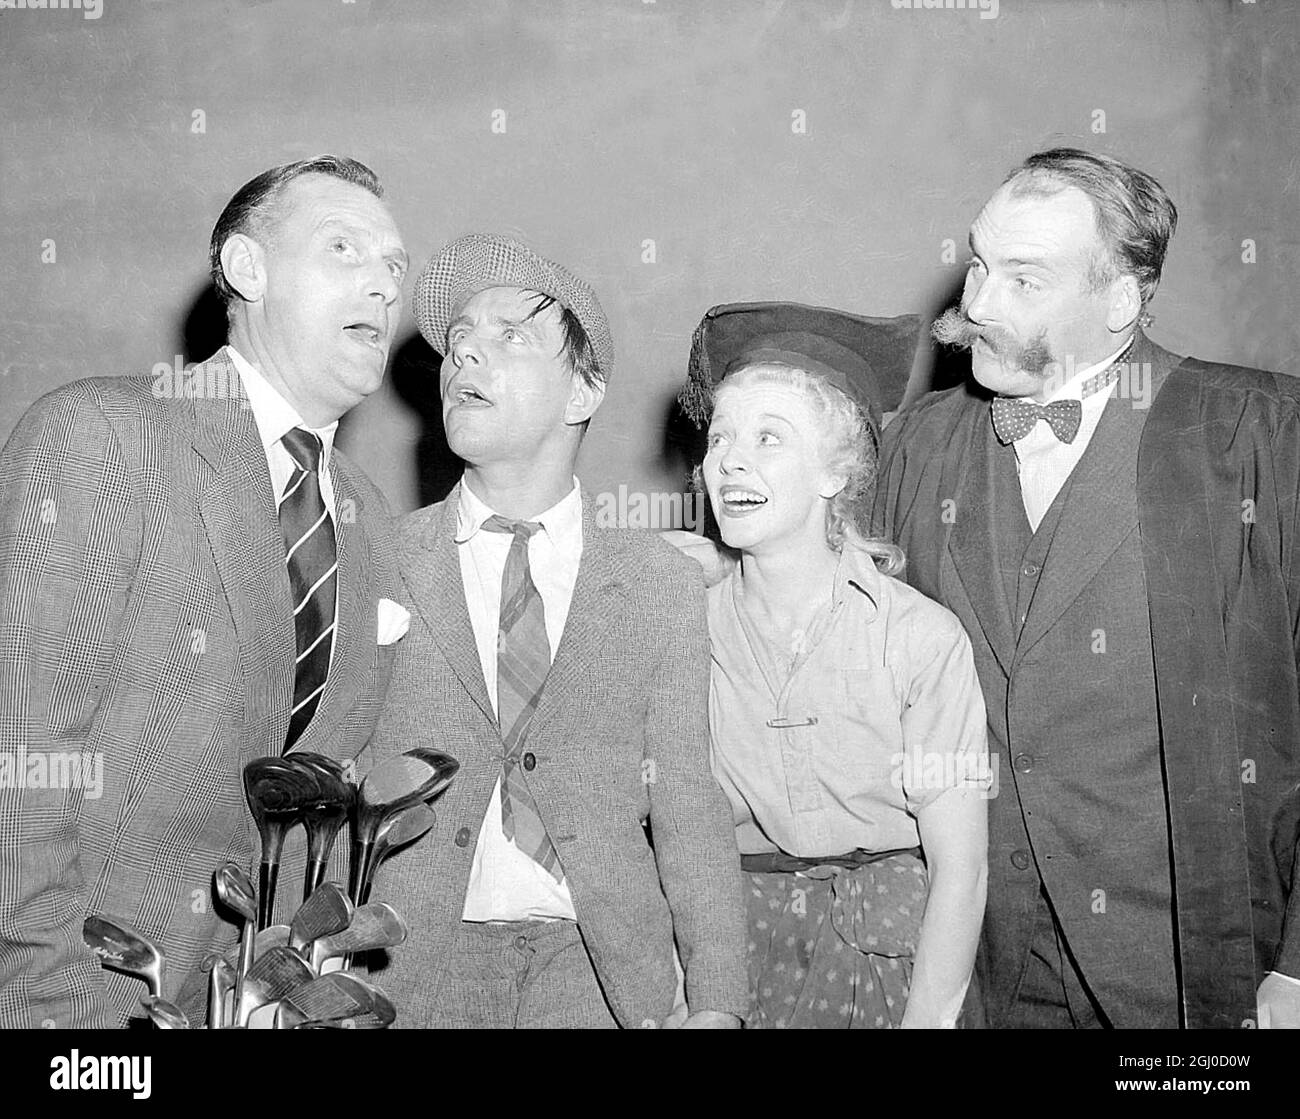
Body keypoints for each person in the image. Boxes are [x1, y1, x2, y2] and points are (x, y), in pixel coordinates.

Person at [872, 147, 1300, 1029]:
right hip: (982, 967)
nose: (978, 304)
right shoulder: (914, 447)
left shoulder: (1263, 437)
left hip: (1198, 975)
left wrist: (1297, 974)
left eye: (1024, 280)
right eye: (980, 265)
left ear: (1122, 300)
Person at [0, 155, 408, 1028]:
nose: (381, 283)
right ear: (246, 267)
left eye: (394, 267)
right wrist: (67, 1022)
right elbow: (18, 773)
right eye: (345, 248)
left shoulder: (371, 520)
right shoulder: (101, 434)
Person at [367, 234, 750, 1029]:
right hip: (410, 979)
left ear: (583, 391)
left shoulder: (657, 584)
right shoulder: (374, 557)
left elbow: (686, 805)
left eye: (510, 336)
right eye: (460, 341)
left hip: (601, 981)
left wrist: (719, 1007)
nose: (467, 356)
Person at [682, 302, 989, 1028]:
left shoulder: (922, 640)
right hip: (730, 967)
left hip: (888, 962)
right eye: (719, 434)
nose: (730, 458)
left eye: (768, 437)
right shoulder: (681, 629)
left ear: (836, 472)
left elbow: (962, 870)